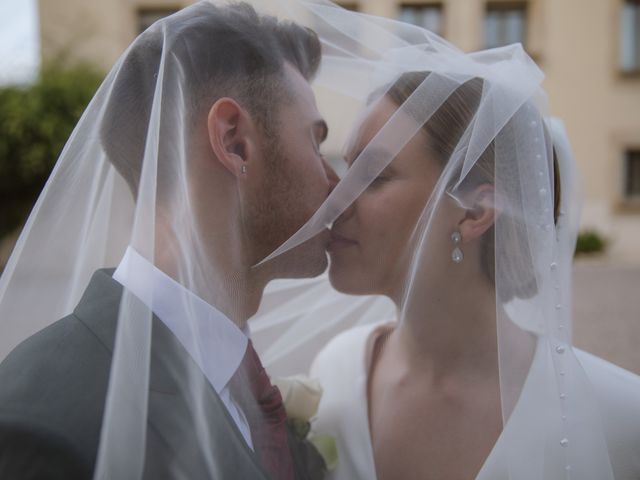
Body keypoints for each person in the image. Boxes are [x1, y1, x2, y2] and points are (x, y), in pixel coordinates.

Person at [0, 2, 337, 479]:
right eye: (315, 141)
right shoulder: (42, 421)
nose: (334, 179)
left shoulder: (246, 386)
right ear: (235, 142)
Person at [306, 70, 640, 480]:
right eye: (346, 169)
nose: (334, 201)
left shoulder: (620, 416)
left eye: (373, 176)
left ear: (476, 212)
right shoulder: (333, 376)